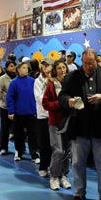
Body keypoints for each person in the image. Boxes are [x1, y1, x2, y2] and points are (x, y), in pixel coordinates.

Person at [59, 48, 101, 200]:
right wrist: (68, 101)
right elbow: (61, 96)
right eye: (85, 63)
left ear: (96, 61)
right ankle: (79, 193)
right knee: (77, 163)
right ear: (81, 61)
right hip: (79, 128)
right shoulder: (72, 76)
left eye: (91, 63)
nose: (88, 66)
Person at [42, 60, 72, 191]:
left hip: (69, 121)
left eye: (64, 67)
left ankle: (64, 176)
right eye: (59, 68)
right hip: (55, 122)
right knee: (58, 150)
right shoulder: (51, 85)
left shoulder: (71, 84)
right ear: (55, 70)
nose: (62, 70)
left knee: (68, 151)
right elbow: (45, 103)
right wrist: (59, 104)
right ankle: (54, 176)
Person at [6, 61, 37, 161]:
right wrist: (11, 111)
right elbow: (9, 97)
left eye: (27, 68)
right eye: (23, 68)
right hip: (18, 113)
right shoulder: (14, 82)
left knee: (32, 134)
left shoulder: (32, 81)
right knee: (19, 134)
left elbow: (36, 96)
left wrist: (36, 109)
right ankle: (19, 152)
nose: (26, 70)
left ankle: (34, 154)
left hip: (31, 112)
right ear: (18, 70)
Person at [34, 58, 54, 174]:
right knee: (43, 143)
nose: (45, 67)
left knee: (54, 144)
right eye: (44, 65)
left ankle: (53, 165)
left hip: (54, 115)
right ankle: (43, 166)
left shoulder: (54, 80)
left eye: (48, 65)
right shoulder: (38, 81)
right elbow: (39, 98)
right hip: (43, 115)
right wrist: (50, 104)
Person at [0, 60, 16, 155]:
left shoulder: (17, 78)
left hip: (16, 108)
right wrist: (7, 99)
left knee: (17, 129)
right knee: (4, 128)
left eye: (14, 66)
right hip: (5, 107)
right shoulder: (2, 78)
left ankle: (19, 149)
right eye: (11, 66)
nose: (13, 67)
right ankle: (3, 147)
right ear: (7, 67)